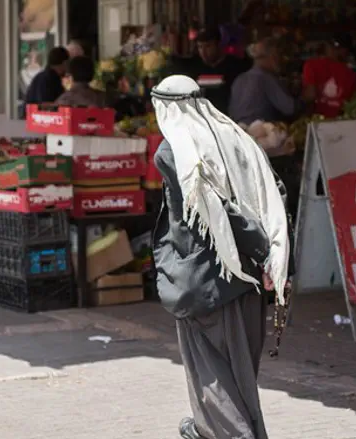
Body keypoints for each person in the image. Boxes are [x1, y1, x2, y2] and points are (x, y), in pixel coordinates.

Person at [151, 75, 290, 439]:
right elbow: (274, 194)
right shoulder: (239, 138)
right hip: (250, 282)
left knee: (214, 377)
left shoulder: (175, 150)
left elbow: (217, 213)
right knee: (240, 378)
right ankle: (206, 430)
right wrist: (269, 255)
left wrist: (255, 247)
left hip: (208, 283)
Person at [229, 38, 301, 125]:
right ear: (271, 56)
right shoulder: (266, 78)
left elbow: (232, 112)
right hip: (260, 134)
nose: (279, 60)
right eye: (277, 55)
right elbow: (290, 108)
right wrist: (305, 98)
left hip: (237, 131)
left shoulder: (239, 79)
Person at [188, 27, 249, 115]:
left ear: (219, 45)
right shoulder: (196, 68)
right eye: (200, 47)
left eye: (208, 46)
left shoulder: (235, 67)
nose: (203, 52)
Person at [302, 33, 356, 118]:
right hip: (341, 123)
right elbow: (352, 105)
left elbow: (310, 95)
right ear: (345, 51)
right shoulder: (351, 75)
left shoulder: (311, 65)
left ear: (328, 47)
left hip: (317, 122)